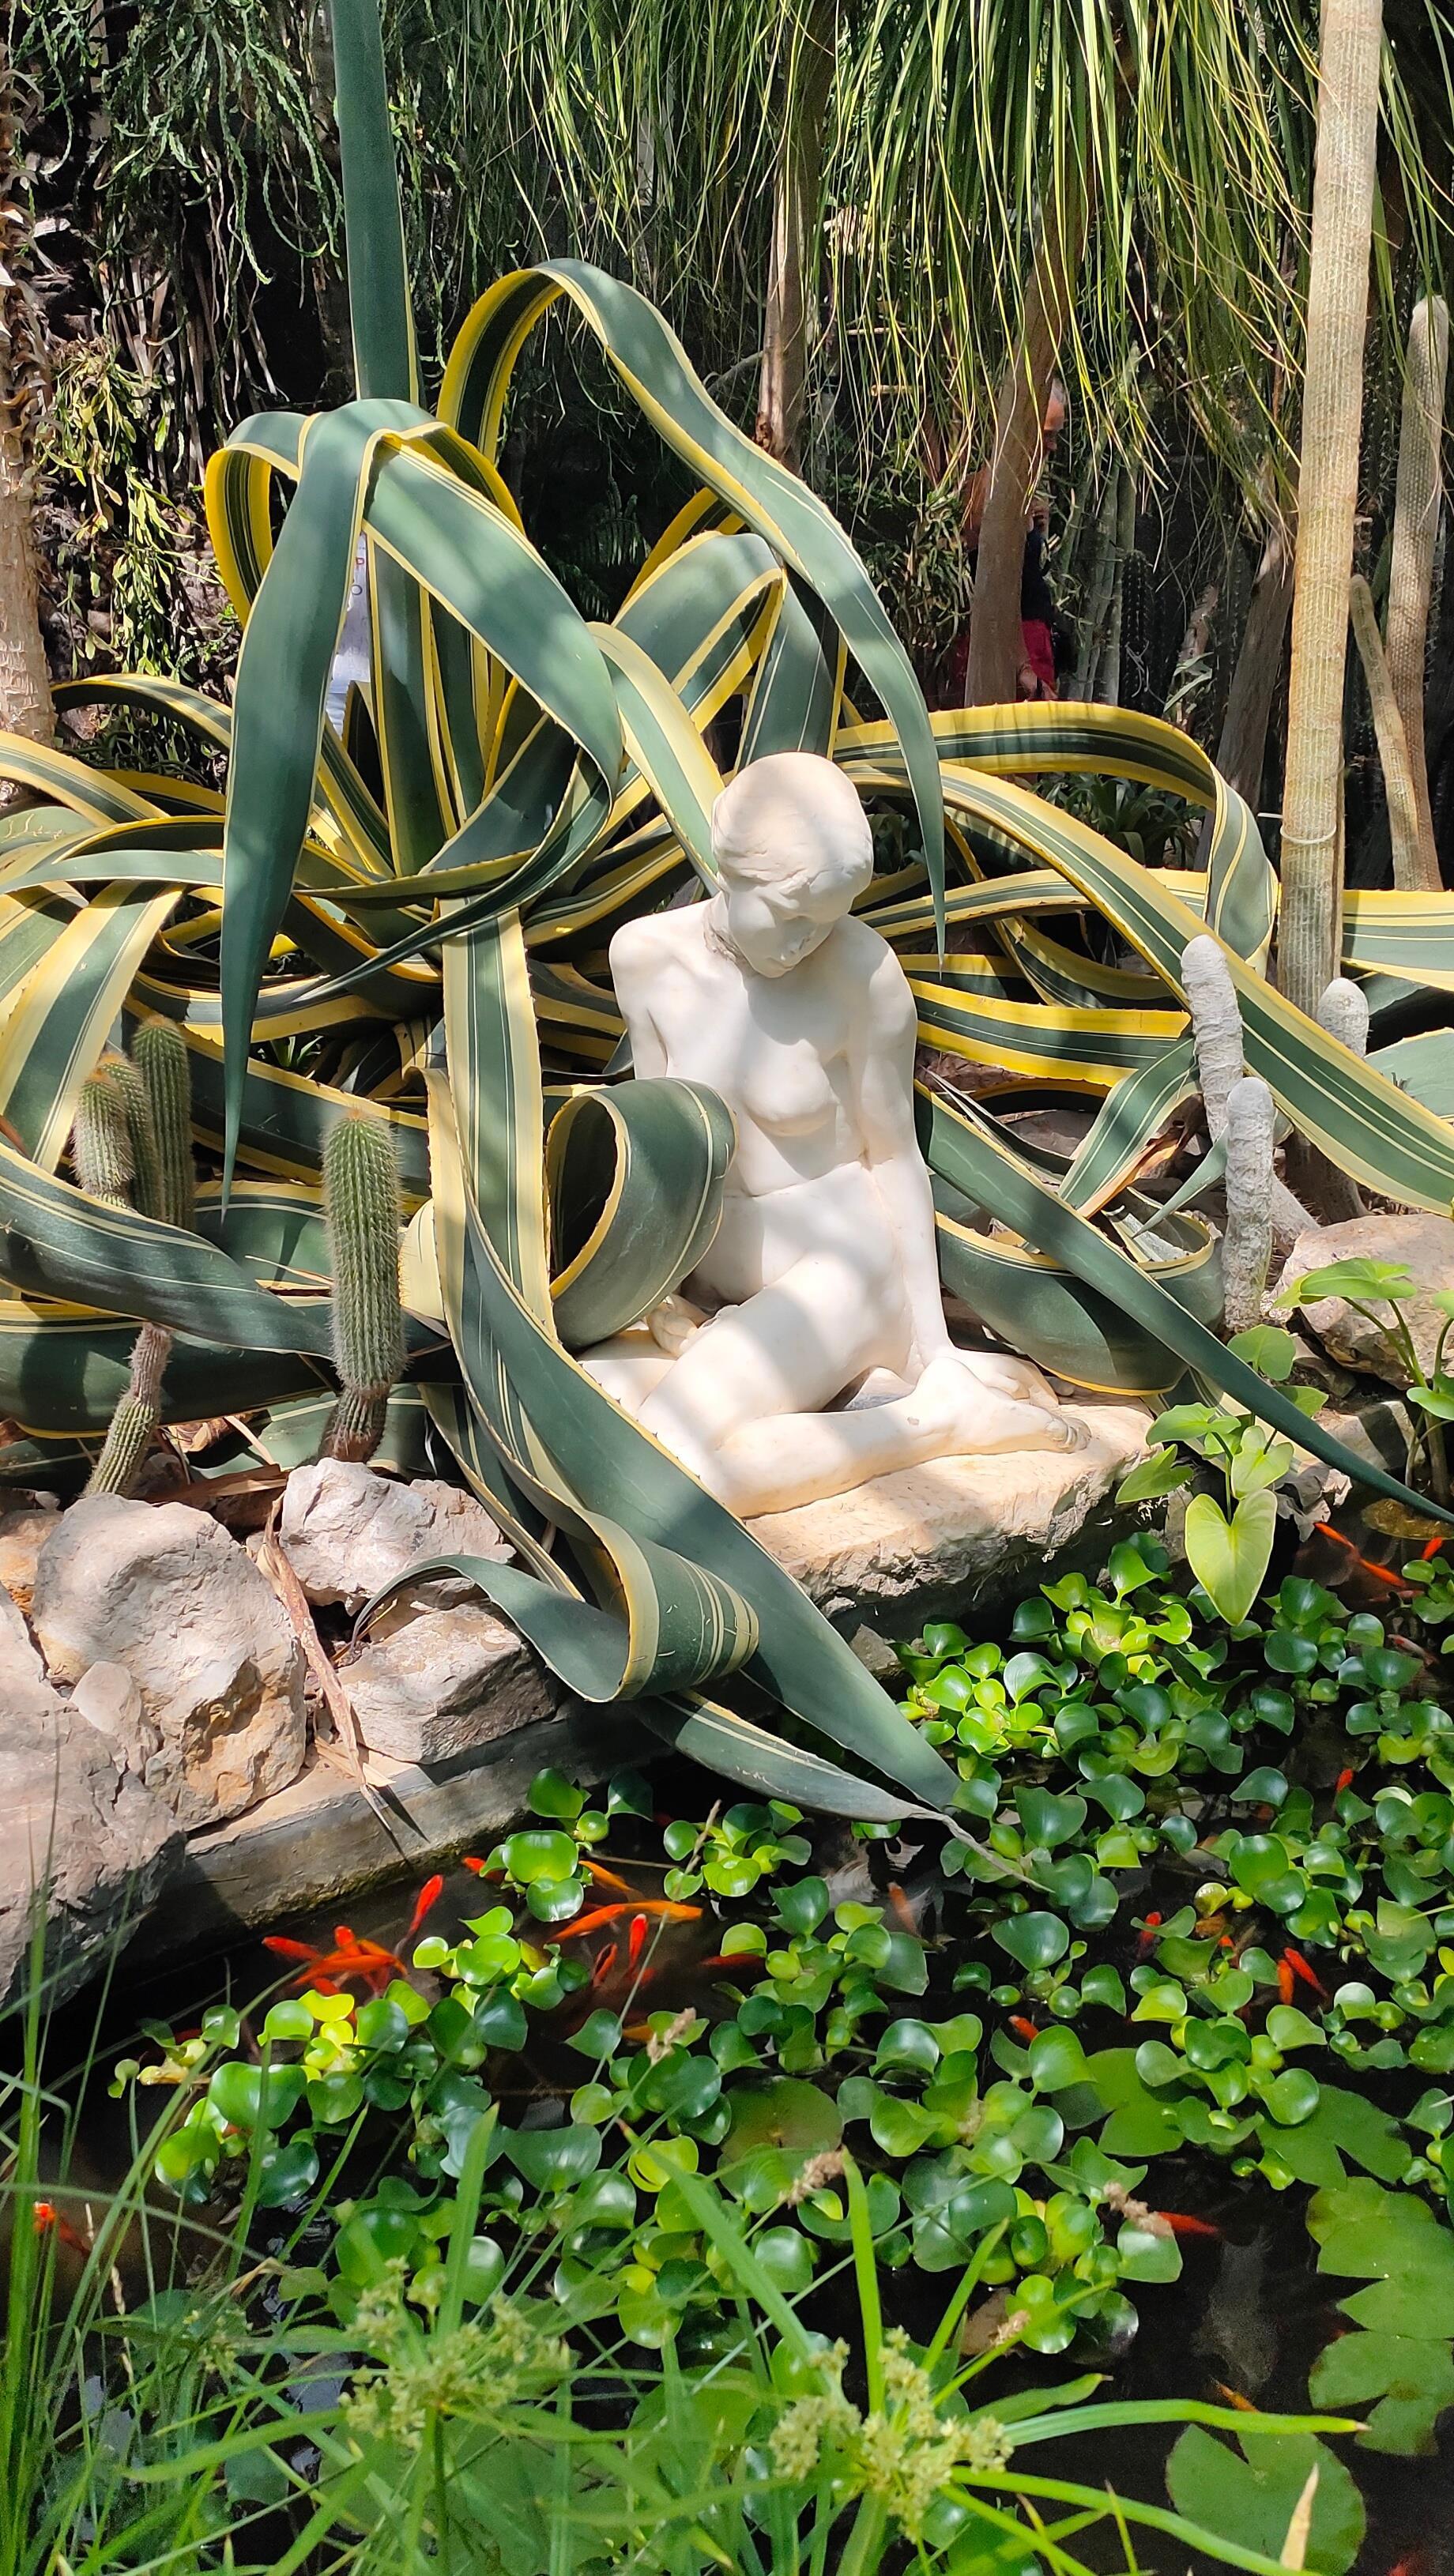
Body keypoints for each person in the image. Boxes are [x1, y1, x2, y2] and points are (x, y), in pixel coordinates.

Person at [578, 753, 1080, 1517]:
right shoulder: (645, 958)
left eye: (828, 920)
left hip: (842, 1268)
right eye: (790, 915)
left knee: (673, 1462)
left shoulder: (863, 975)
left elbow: (894, 1156)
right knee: (584, 1418)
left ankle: (934, 1421)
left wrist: (934, 1347)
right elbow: (662, 1149)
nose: (806, 942)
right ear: (729, 870)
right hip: (713, 1284)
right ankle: (849, 1398)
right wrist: (661, 1293)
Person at [946, 382, 1070, 705]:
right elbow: (995, 588)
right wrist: (1023, 668)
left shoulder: (1014, 488)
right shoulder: (990, 490)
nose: (1053, 447)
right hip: (1014, 651)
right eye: (1047, 435)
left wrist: (1034, 532)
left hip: (1028, 646)